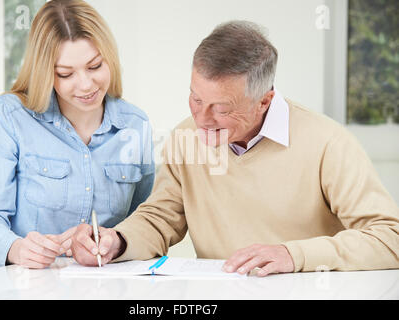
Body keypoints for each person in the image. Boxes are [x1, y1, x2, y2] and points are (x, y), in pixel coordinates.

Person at [70, 21, 399, 276]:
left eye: (222, 109)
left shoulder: (328, 143)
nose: (202, 118)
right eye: (196, 99)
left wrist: (294, 255)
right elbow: (160, 220)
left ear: (264, 101)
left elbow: (390, 238)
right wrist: (117, 241)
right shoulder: (187, 136)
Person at [0, 0, 154, 269]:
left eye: (95, 66)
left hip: (107, 286)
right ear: (45, 73)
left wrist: (117, 242)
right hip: (29, 286)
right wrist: (17, 249)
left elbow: (145, 222)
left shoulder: (135, 125)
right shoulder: (9, 116)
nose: (86, 85)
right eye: (66, 74)